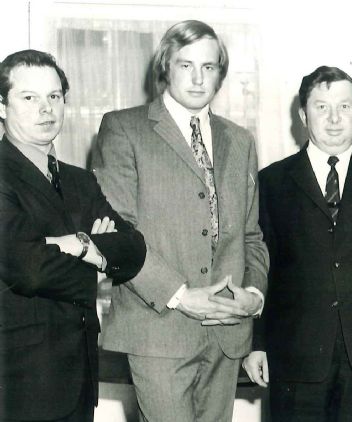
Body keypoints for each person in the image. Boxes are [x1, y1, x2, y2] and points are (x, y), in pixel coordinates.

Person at [90, 20, 268, 422]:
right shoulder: (124, 128)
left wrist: (254, 295)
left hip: (226, 333)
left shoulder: (240, 141)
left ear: (221, 73)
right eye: (186, 65)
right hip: (159, 328)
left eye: (208, 67)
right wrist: (181, 295)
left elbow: (252, 236)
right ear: (165, 66)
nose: (198, 77)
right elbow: (116, 233)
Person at [242, 66, 352, 421]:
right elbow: (259, 265)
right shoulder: (271, 181)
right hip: (294, 357)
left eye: (345, 107)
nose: (334, 119)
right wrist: (256, 344)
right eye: (321, 107)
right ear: (303, 115)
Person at [0, 49, 145, 422]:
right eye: (28, 98)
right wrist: (97, 257)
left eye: (54, 96)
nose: (45, 109)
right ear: (1, 107)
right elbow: (29, 268)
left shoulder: (80, 180)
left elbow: (132, 248)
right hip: (19, 378)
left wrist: (72, 245)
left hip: (79, 374)